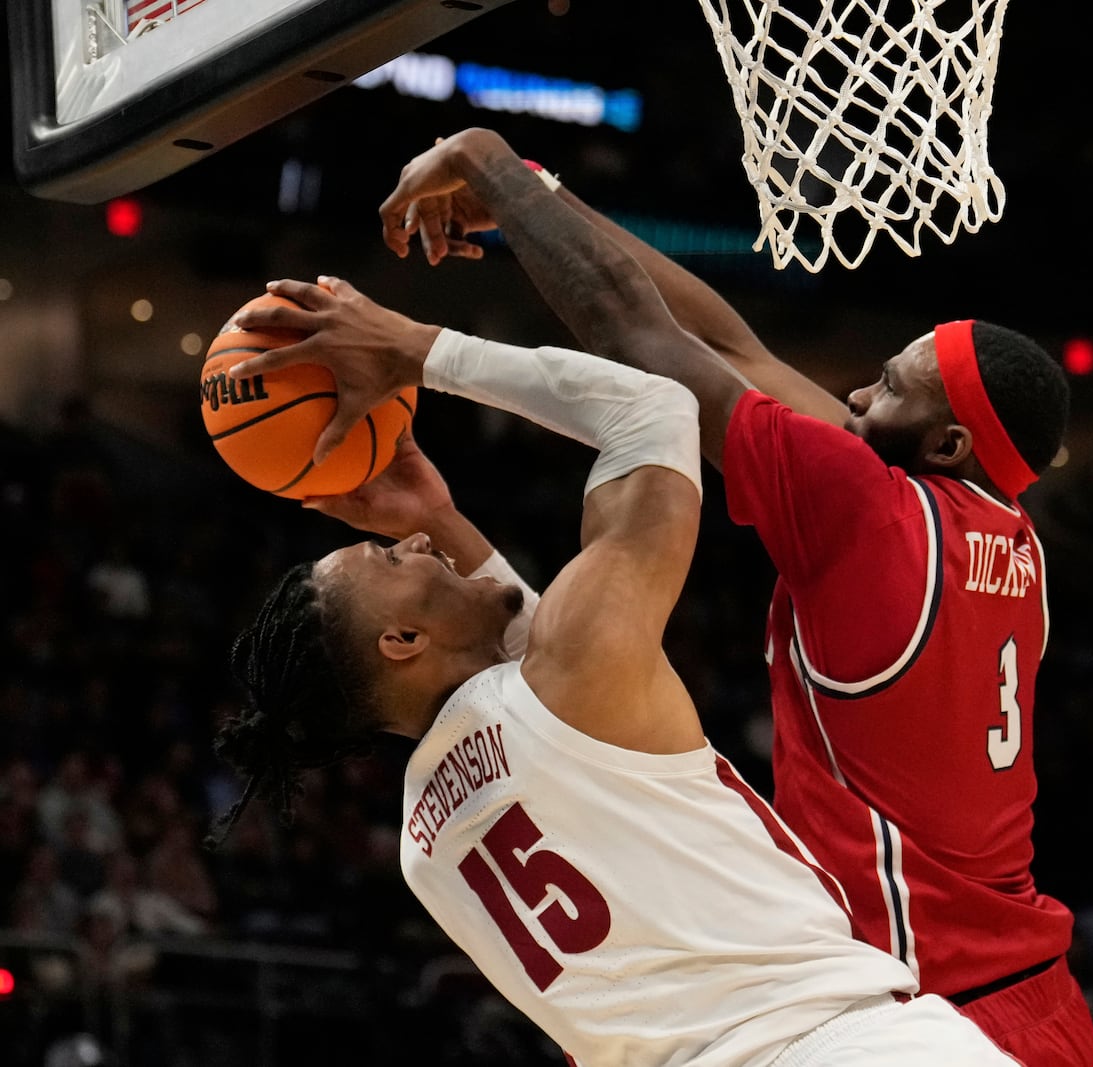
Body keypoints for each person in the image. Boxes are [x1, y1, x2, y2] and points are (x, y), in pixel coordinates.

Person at [350, 126, 1093, 1066]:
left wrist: (487, 161)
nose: (857, 393)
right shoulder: (1006, 536)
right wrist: (534, 197)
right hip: (1033, 997)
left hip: (929, 1012)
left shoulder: (870, 504)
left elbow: (643, 341)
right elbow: (726, 341)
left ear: (945, 444)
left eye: (889, 386)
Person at [213, 281, 1017, 1067]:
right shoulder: (566, 676)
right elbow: (653, 408)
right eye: (390, 557)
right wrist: (422, 351)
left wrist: (437, 518)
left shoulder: (425, 841)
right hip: (836, 1043)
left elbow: (538, 687)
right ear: (402, 638)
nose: (414, 548)